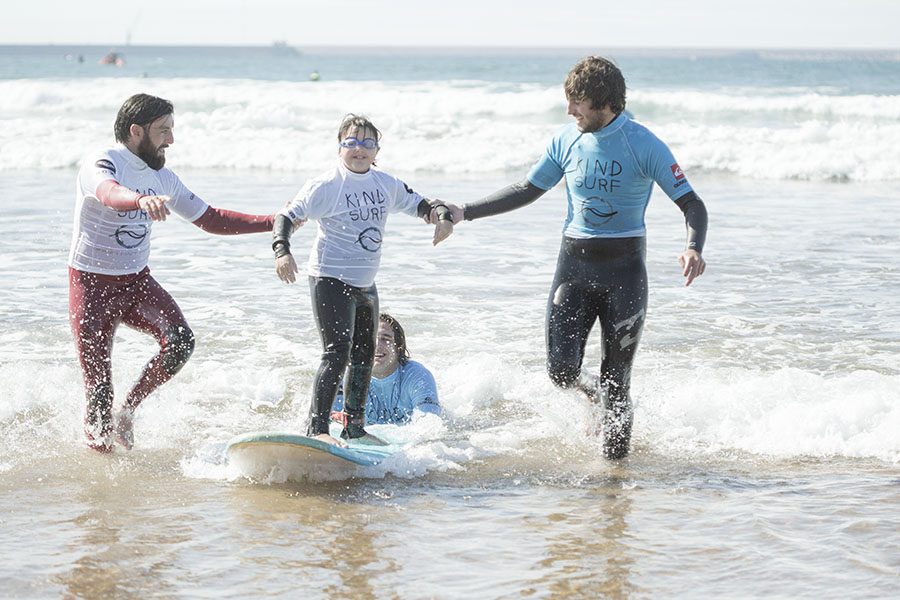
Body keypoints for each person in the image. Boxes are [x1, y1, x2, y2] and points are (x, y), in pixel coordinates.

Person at [433, 57, 708, 460]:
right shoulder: (566, 140)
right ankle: (590, 396)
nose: (569, 111)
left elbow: (691, 203)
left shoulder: (643, 143)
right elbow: (527, 189)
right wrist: (464, 211)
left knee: (618, 383)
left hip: (625, 272)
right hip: (573, 268)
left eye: (577, 102)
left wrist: (693, 247)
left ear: (604, 101)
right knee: (560, 372)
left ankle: (614, 481)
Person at [69, 93, 276, 452]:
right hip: (91, 286)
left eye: (172, 130)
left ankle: (129, 409)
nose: (171, 140)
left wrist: (275, 222)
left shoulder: (163, 178)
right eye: (163, 131)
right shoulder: (102, 161)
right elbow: (107, 193)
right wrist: (138, 200)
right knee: (99, 391)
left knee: (180, 343)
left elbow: (212, 219)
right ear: (136, 131)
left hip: (136, 283)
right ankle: (101, 482)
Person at [273, 114, 453, 448]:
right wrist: (282, 251)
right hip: (329, 278)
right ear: (340, 147)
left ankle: (354, 427)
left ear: (376, 150)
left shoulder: (385, 184)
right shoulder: (325, 186)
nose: (359, 149)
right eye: (351, 142)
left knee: (363, 353)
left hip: (366, 284)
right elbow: (285, 216)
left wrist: (441, 220)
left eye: (367, 143)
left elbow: (422, 204)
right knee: (336, 352)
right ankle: (318, 427)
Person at [331, 313, 441, 424]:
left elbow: (429, 426)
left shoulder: (418, 376)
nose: (377, 345)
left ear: (398, 347)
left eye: (386, 338)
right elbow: (331, 424)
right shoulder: (345, 378)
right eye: (370, 338)